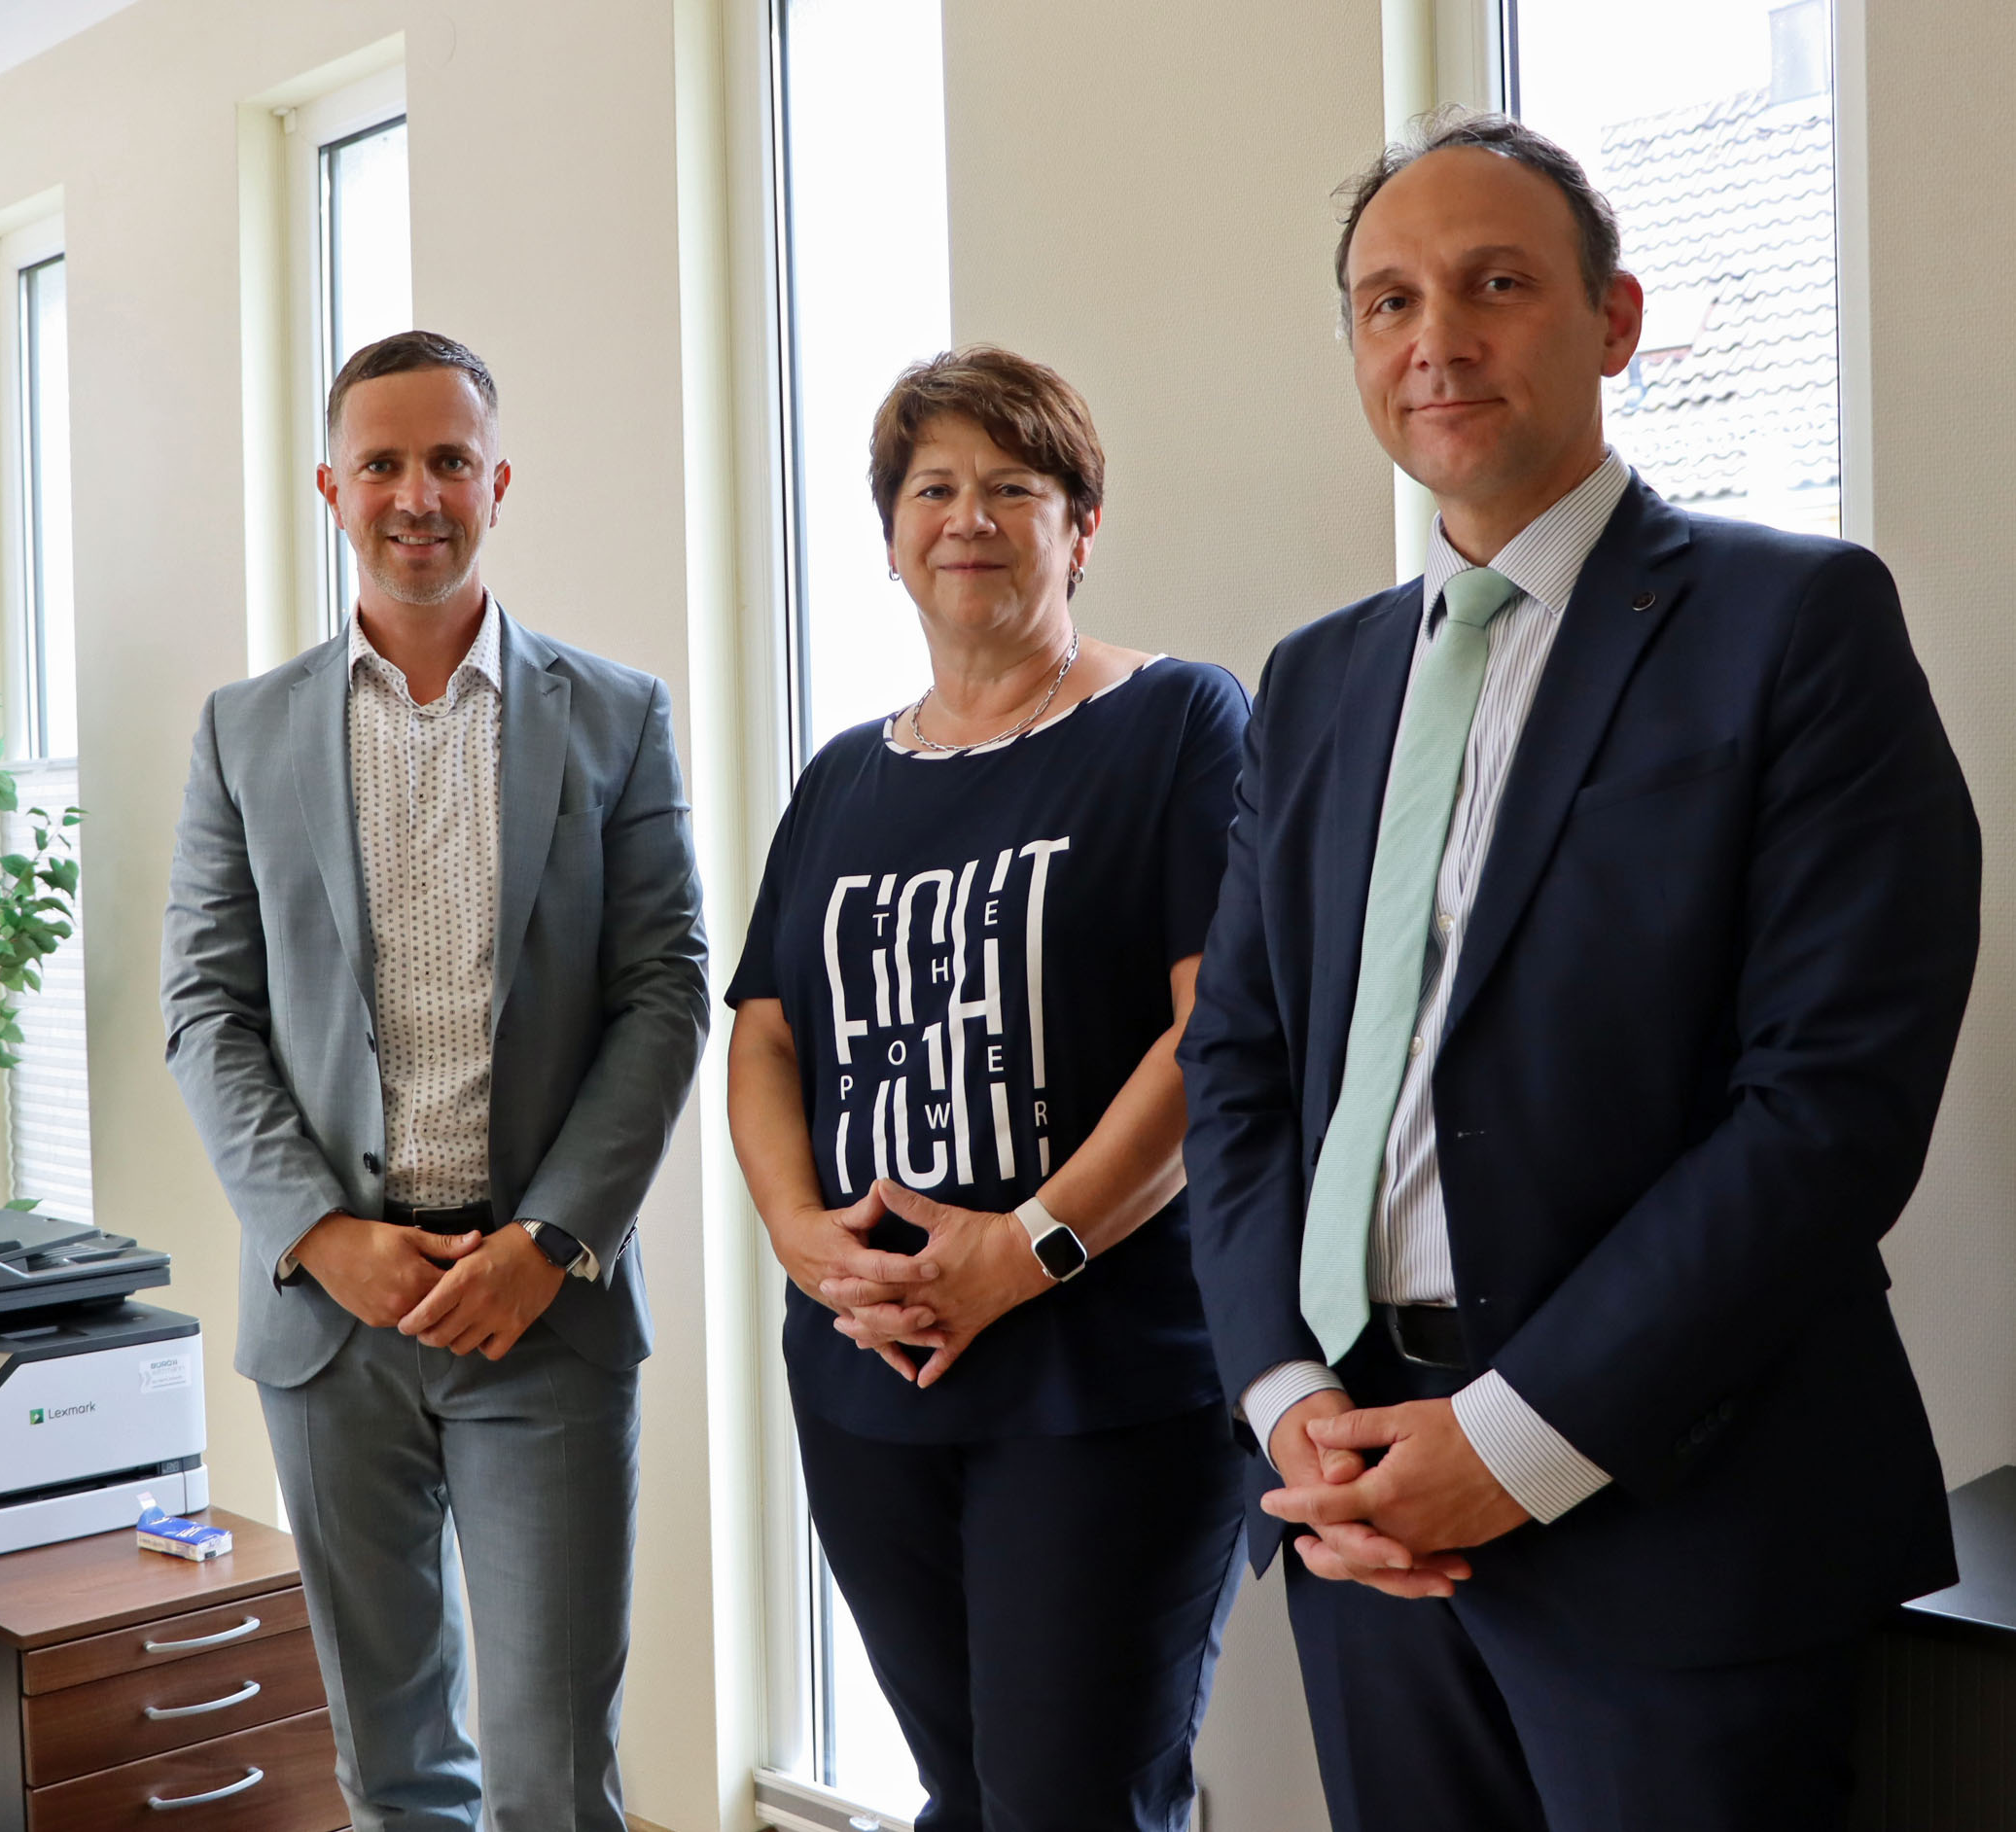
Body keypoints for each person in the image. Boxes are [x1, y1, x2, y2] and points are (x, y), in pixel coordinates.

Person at [1179, 113, 1981, 1830]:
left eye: (1495, 285)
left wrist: (1518, 1442)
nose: (1436, 340)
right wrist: (1284, 1399)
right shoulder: (1317, 684)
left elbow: (1828, 1107)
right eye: (1387, 302)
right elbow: (1241, 1070)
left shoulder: (1798, 624)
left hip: (1683, 1514)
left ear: (1611, 322)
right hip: (1361, 1507)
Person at [160, 330, 708, 1832]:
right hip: (335, 1320)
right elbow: (205, 1008)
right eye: (385, 463)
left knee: (548, 1774)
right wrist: (317, 1236)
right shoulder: (244, 731)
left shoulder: (616, 717)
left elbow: (665, 995)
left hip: (540, 1304)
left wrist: (550, 1244)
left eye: (449, 460)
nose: (419, 494)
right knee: (395, 1773)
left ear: (497, 481)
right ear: (333, 487)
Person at [726, 346, 1251, 1831]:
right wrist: (796, 1233)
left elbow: (1218, 1037)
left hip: (1102, 1381)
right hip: (867, 1376)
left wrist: (1026, 1249)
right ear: (891, 533)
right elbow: (765, 1033)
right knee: (966, 1794)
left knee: (1072, 1801)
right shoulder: (842, 777)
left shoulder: (1176, 725)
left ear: (1081, 524)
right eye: (933, 488)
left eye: (1012, 487)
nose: (968, 517)